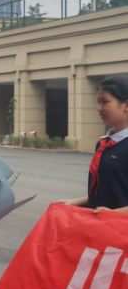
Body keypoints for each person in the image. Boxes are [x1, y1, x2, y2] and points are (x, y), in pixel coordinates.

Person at [57, 75, 128, 214]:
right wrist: (74, 202)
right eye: (98, 102)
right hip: (100, 228)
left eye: (105, 102)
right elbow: (107, 192)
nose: (99, 108)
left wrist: (115, 213)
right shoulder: (103, 144)